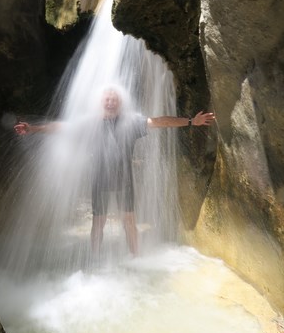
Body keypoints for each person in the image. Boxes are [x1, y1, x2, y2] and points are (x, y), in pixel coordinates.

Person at [14, 87, 215, 257]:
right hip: (100, 180)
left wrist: (191, 122)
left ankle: (136, 258)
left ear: (119, 103)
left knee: (129, 221)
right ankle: (95, 258)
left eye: (114, 100)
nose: (110, 102)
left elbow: (160, 122)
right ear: (102, 102)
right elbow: (63, 127)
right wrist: (33, 129)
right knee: (98, 222)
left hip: (124, 179)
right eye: (107, 99)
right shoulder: (90, 123)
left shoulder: (131, 122)